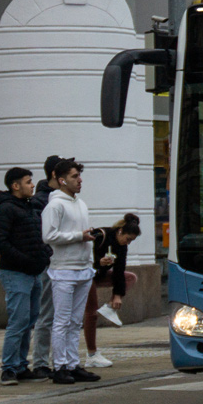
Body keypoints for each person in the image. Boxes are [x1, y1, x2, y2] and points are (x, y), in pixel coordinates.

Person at [0, 167, 52, 385]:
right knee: (18, 321)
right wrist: (24, 260)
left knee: (29, 320)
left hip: (34, 273)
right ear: (15, 186)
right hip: (15, 273)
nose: (32, 185)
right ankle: (8, 368)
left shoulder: (29, 208)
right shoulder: (6, 209)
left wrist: (45, 255)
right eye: (28, 182)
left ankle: (20, 366)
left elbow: (38, 237)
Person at [41, 158, 100, 384]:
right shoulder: (55, 205)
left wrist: (91, 257)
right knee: (62, 320)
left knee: (75, 321)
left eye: (79, 176)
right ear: (61, 179)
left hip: (83, 268)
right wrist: (79, 236)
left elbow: (82, 235)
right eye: (75, 177)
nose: (79, 180)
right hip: (63, 270)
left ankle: (73, 364)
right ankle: (60, 366)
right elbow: (48, 236)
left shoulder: (80, 204)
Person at [82, 213, 141, 369]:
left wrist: (117, 295)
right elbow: (83, 256)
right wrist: (98, 263)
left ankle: (109, 307)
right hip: (87, 274)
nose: (127, 243)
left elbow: (119, 270)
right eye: (128, 239)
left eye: (131, 241)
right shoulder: (101, 235)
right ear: (120, 231)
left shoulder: (122, 246)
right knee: (91, 313)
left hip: (99, 274)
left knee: (130, 277)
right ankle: (92, 354)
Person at [28, 154, 64, 380]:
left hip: (63, 263)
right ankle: (41, 362)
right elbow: (42, 234)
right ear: (55, 175)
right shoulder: (42, 200)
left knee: (60, 316)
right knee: (46, 314)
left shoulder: (60, 198)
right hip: (50, 264)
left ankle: (62, 361)